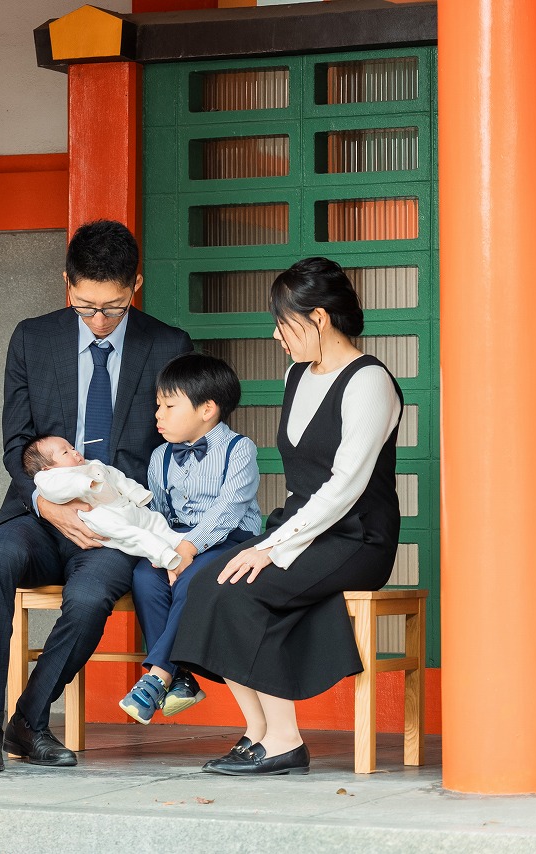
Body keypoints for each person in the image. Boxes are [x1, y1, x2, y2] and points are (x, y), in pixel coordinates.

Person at [0, 219, 192, 773]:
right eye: (86, 306)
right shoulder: (32, 338)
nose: (100, 322)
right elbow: (17, 444)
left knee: (89, 600)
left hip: (114, 521)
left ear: (136, 285)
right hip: (39, 514)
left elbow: (175, 447)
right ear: (68, 284)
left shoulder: (169, 345)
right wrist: (48, 505)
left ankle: (30, 721)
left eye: (113, 308)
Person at [171, 257, 404, 776]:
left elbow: (344, 487)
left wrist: (271, 548)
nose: (277, 335)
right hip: (300, 525)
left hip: (357, 536)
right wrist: (274, 542)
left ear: (318, 318)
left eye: (284, 323)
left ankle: (284, 740)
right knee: (206, 582)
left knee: (244, 588)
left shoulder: (370, 381)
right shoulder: (296, 374)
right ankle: (258, 732)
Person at [117, 352, 262, 725]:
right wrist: (164, 548)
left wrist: (187, 549)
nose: (158, 415)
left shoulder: (239, 449)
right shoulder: (160, 455)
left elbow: (229, 509)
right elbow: (159, 513)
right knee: (145, 578)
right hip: (176, 541)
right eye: (158, 406)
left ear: (207, 409)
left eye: (169, 405)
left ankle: (159, 676)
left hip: (230, 540)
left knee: (192, 582)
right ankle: (180, 678)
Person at [23, 434, 186, 571]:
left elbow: (116, 476)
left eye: (72, 447)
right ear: (46, 467)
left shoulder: (92, 464)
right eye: (65, 452)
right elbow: (58, 488)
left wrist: (135, 493)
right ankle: (163, 554)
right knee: (131, 535)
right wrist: (85, 484)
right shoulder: (48, 478)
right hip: (99, 515)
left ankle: (177, 540)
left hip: (122, 504)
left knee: (152, 520)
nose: (74, 452)